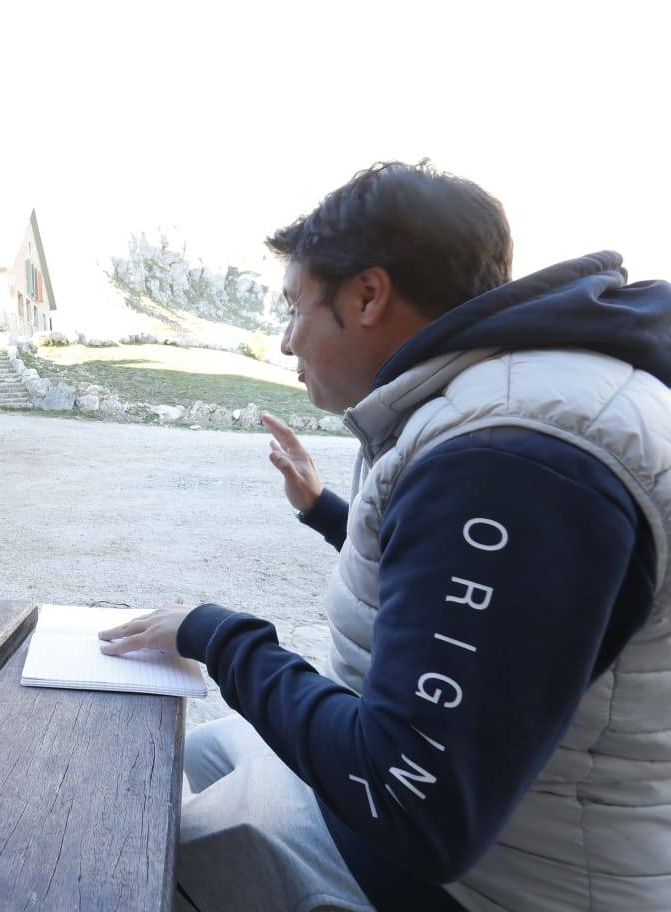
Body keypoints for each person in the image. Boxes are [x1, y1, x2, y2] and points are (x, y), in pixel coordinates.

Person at [99, 161, 671, 911]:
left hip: (489, 886)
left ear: (368, 295)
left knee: (126, 857)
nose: (282, 343)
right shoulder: (531, 397)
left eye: (293, 307)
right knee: (202, 753)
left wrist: (218, 637)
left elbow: (412, 806)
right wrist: (324, 509)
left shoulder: (512, 456)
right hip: (505, 841)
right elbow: (488, 606)